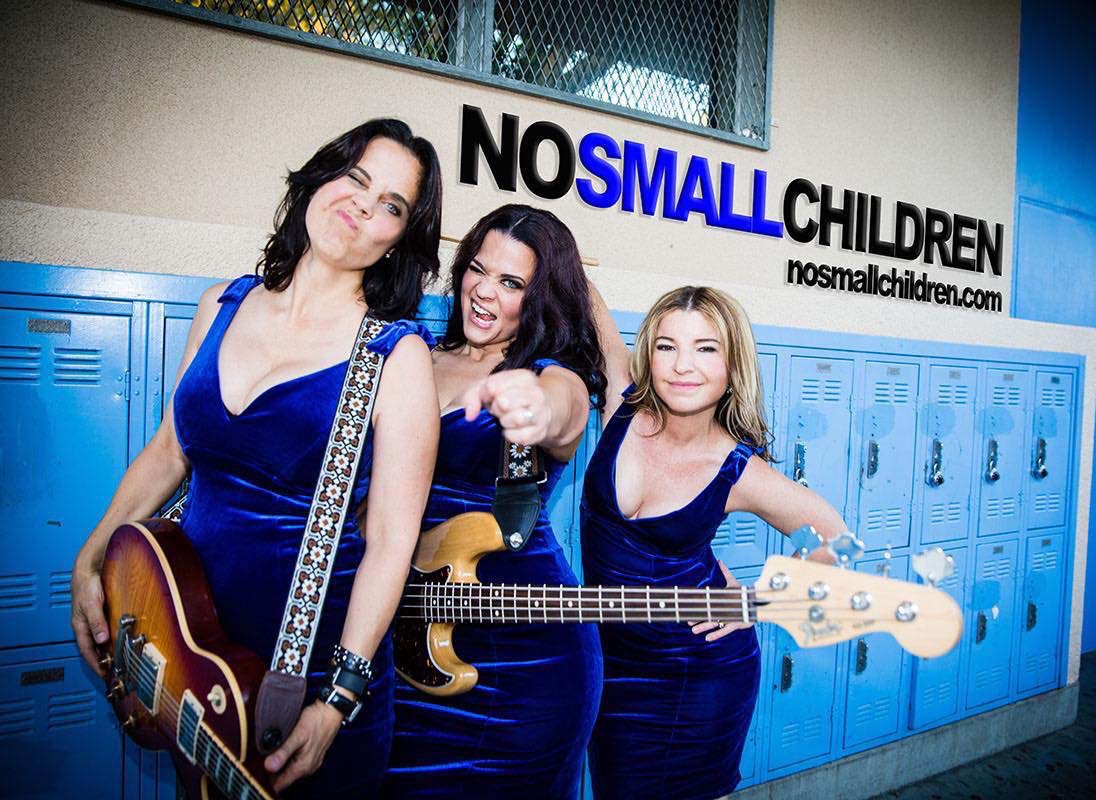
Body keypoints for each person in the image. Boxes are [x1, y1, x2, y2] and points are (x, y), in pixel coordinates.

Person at [69, 118, 443, 797]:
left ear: (400, 238)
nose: (363, 205)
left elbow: (392, 540)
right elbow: (168, 451)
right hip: (184, 644)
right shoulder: (221, 305)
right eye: (356, 178)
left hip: (307, 675)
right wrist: (90, 558)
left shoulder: (396, 356)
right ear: (318, 179)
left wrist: (340, 699)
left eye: (390, 204)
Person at [581, 286, 847, 800]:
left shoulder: (738, 469)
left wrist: (757, 600)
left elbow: (835, 540)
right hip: (613, 663)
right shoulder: (622, 404)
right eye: (666, 346)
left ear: (732, 366)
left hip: (699, 670)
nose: (683, 365)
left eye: (706, 348)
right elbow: (587, 300)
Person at [384, 204, 607, 799]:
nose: (483, 292)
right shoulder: (413, 355)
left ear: (540, 299)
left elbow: (564, 411)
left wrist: (535, 405)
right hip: (407, 637)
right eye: (477, 270)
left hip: (527, 662)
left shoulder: (551, 375)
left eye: (511, 283)